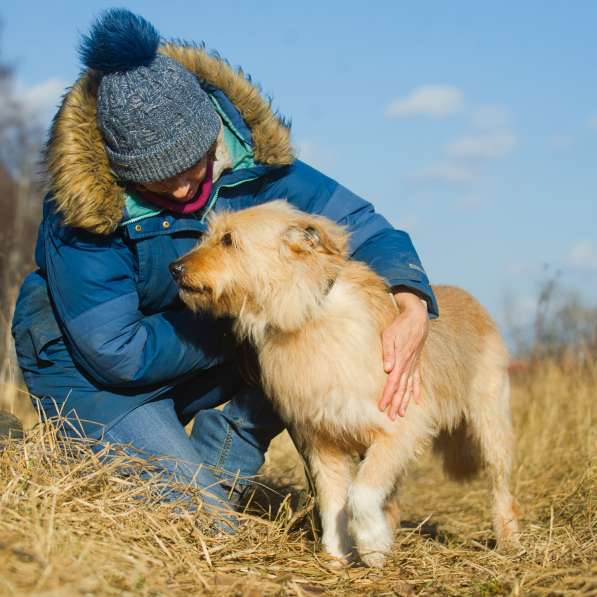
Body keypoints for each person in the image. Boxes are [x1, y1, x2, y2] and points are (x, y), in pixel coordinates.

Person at [11, 9, 438, 516]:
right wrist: (255, 319)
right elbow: (116, 351)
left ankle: (219, 463)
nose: (181, 189)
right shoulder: (83, 209)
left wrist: (410, 298)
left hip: (204, 345)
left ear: (211, 137)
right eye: (154, 179)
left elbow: (364, 229)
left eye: (190, 165)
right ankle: (63, 454)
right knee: (198, 529)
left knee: (301, 342)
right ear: (120, 168)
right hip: (94, 379)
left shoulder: (257, 165)